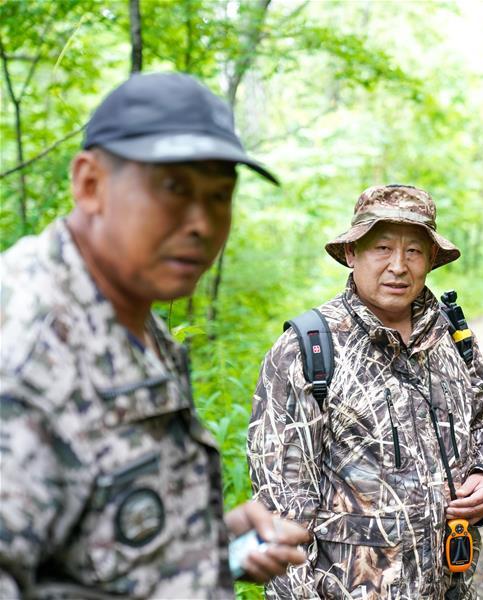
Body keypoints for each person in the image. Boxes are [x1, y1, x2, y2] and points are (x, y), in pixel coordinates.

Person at [0, 72, 310, 598]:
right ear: (90, 184)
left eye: (220, 196)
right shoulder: (26, 343)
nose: (202, 223)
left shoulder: (131, 318)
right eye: (173, 189)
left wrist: (212, 543)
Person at [247, 184, 483, 599]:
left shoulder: (451, 337)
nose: (398, 266)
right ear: (352, 252)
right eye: (382, 248)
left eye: (413, 251)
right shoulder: (307, 349)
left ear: (431, 258)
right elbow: (281, 508)